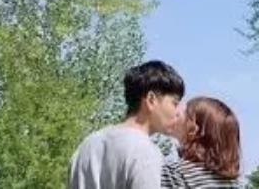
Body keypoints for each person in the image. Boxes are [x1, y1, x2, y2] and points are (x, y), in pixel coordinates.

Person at [68, 60, 185, 189]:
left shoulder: (87, 145)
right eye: (174, 103)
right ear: (151, 100)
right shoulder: (144, 152)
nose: (178, 112)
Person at [161, 96, 242, 189]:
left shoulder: (173, 174)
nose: (176, 113)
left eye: (184, 112)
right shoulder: (232, 182)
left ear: (194, 129)